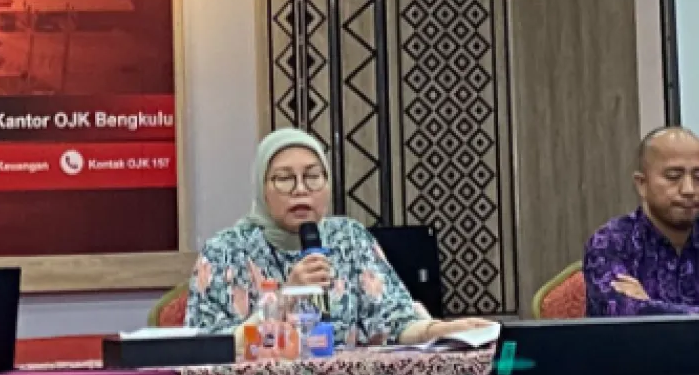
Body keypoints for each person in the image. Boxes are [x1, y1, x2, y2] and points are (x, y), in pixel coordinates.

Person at [184, 127, 491, 347]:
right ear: (261, 189)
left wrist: (440, 331)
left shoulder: (349, 239)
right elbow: (205, 349)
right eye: (285, 178)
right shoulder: (224, 252)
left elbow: (396, 321)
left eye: (313, 176)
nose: (301, 189)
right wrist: (286, 298)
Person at [584, 126, 699, 316]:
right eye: (674, 177)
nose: (689, 189)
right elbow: (623, 315)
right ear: (642, 184)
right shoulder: (611, 243)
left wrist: (649, 306)